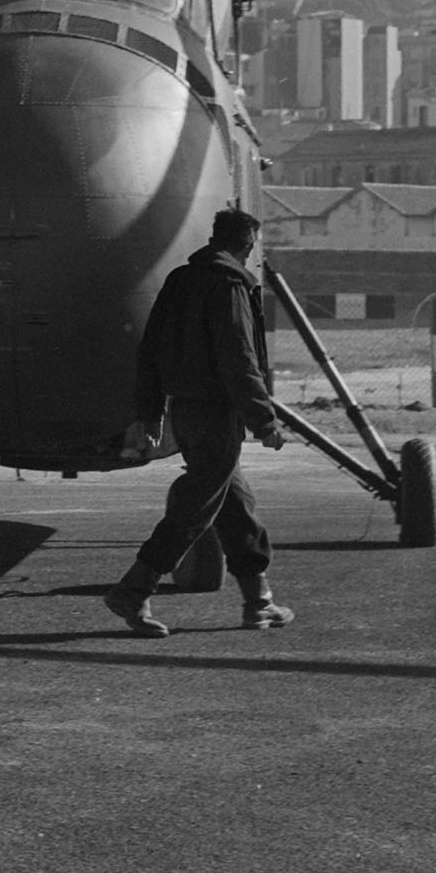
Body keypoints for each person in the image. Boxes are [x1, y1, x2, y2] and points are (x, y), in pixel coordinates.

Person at [103, 206, 294, 636]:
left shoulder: (179, 280)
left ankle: (258, 602)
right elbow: (239, 359)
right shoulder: (229, 285)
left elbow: (149, 350)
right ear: (247, 245)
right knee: (195, 508)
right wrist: (264, 421)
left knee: (236, 505)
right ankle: (133, 590)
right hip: (216, 415)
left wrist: (150, 414)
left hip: (185, 413)